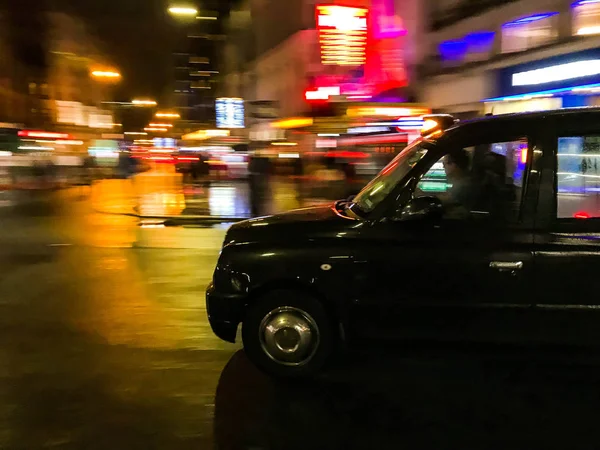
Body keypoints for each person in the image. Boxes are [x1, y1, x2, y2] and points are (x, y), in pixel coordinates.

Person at [442, 149, 476, 218]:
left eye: (444, 164)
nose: (443, 167)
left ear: (455, 165)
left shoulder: (465, 187)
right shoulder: (464, 182)